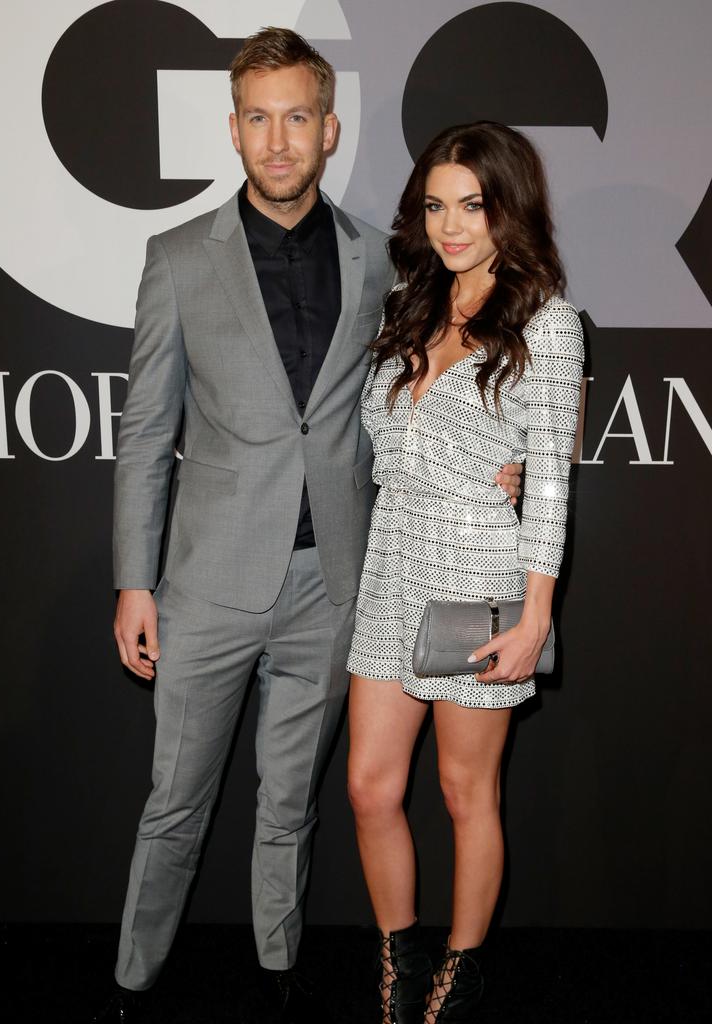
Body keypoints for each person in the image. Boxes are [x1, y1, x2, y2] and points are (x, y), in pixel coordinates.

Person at [97, 29, 522, 1023]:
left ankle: (280, 969)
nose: (278, 139)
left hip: (335, 585)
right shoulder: (175, 260)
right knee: (174, 808)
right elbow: (146, 430)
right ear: (234, 131)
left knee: (292, 804)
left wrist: (514, 458)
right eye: (258, 117)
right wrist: (134, 579)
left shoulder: (388, 258)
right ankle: (133, 979)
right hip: (204, 586)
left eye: (298, 117)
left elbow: (449, 380)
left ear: (329, 130)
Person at [346, 121, 585, 1024]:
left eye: (472, 206)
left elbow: (551, 477)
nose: (451, 226)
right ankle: (398, 954)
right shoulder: (408, 300)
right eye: (437, 206)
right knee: (370, 785)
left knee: (461, 790)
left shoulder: (548, 322)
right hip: (391, 567)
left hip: (480, 574)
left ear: (508, 207)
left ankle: (463, 964)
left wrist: (533, 617)